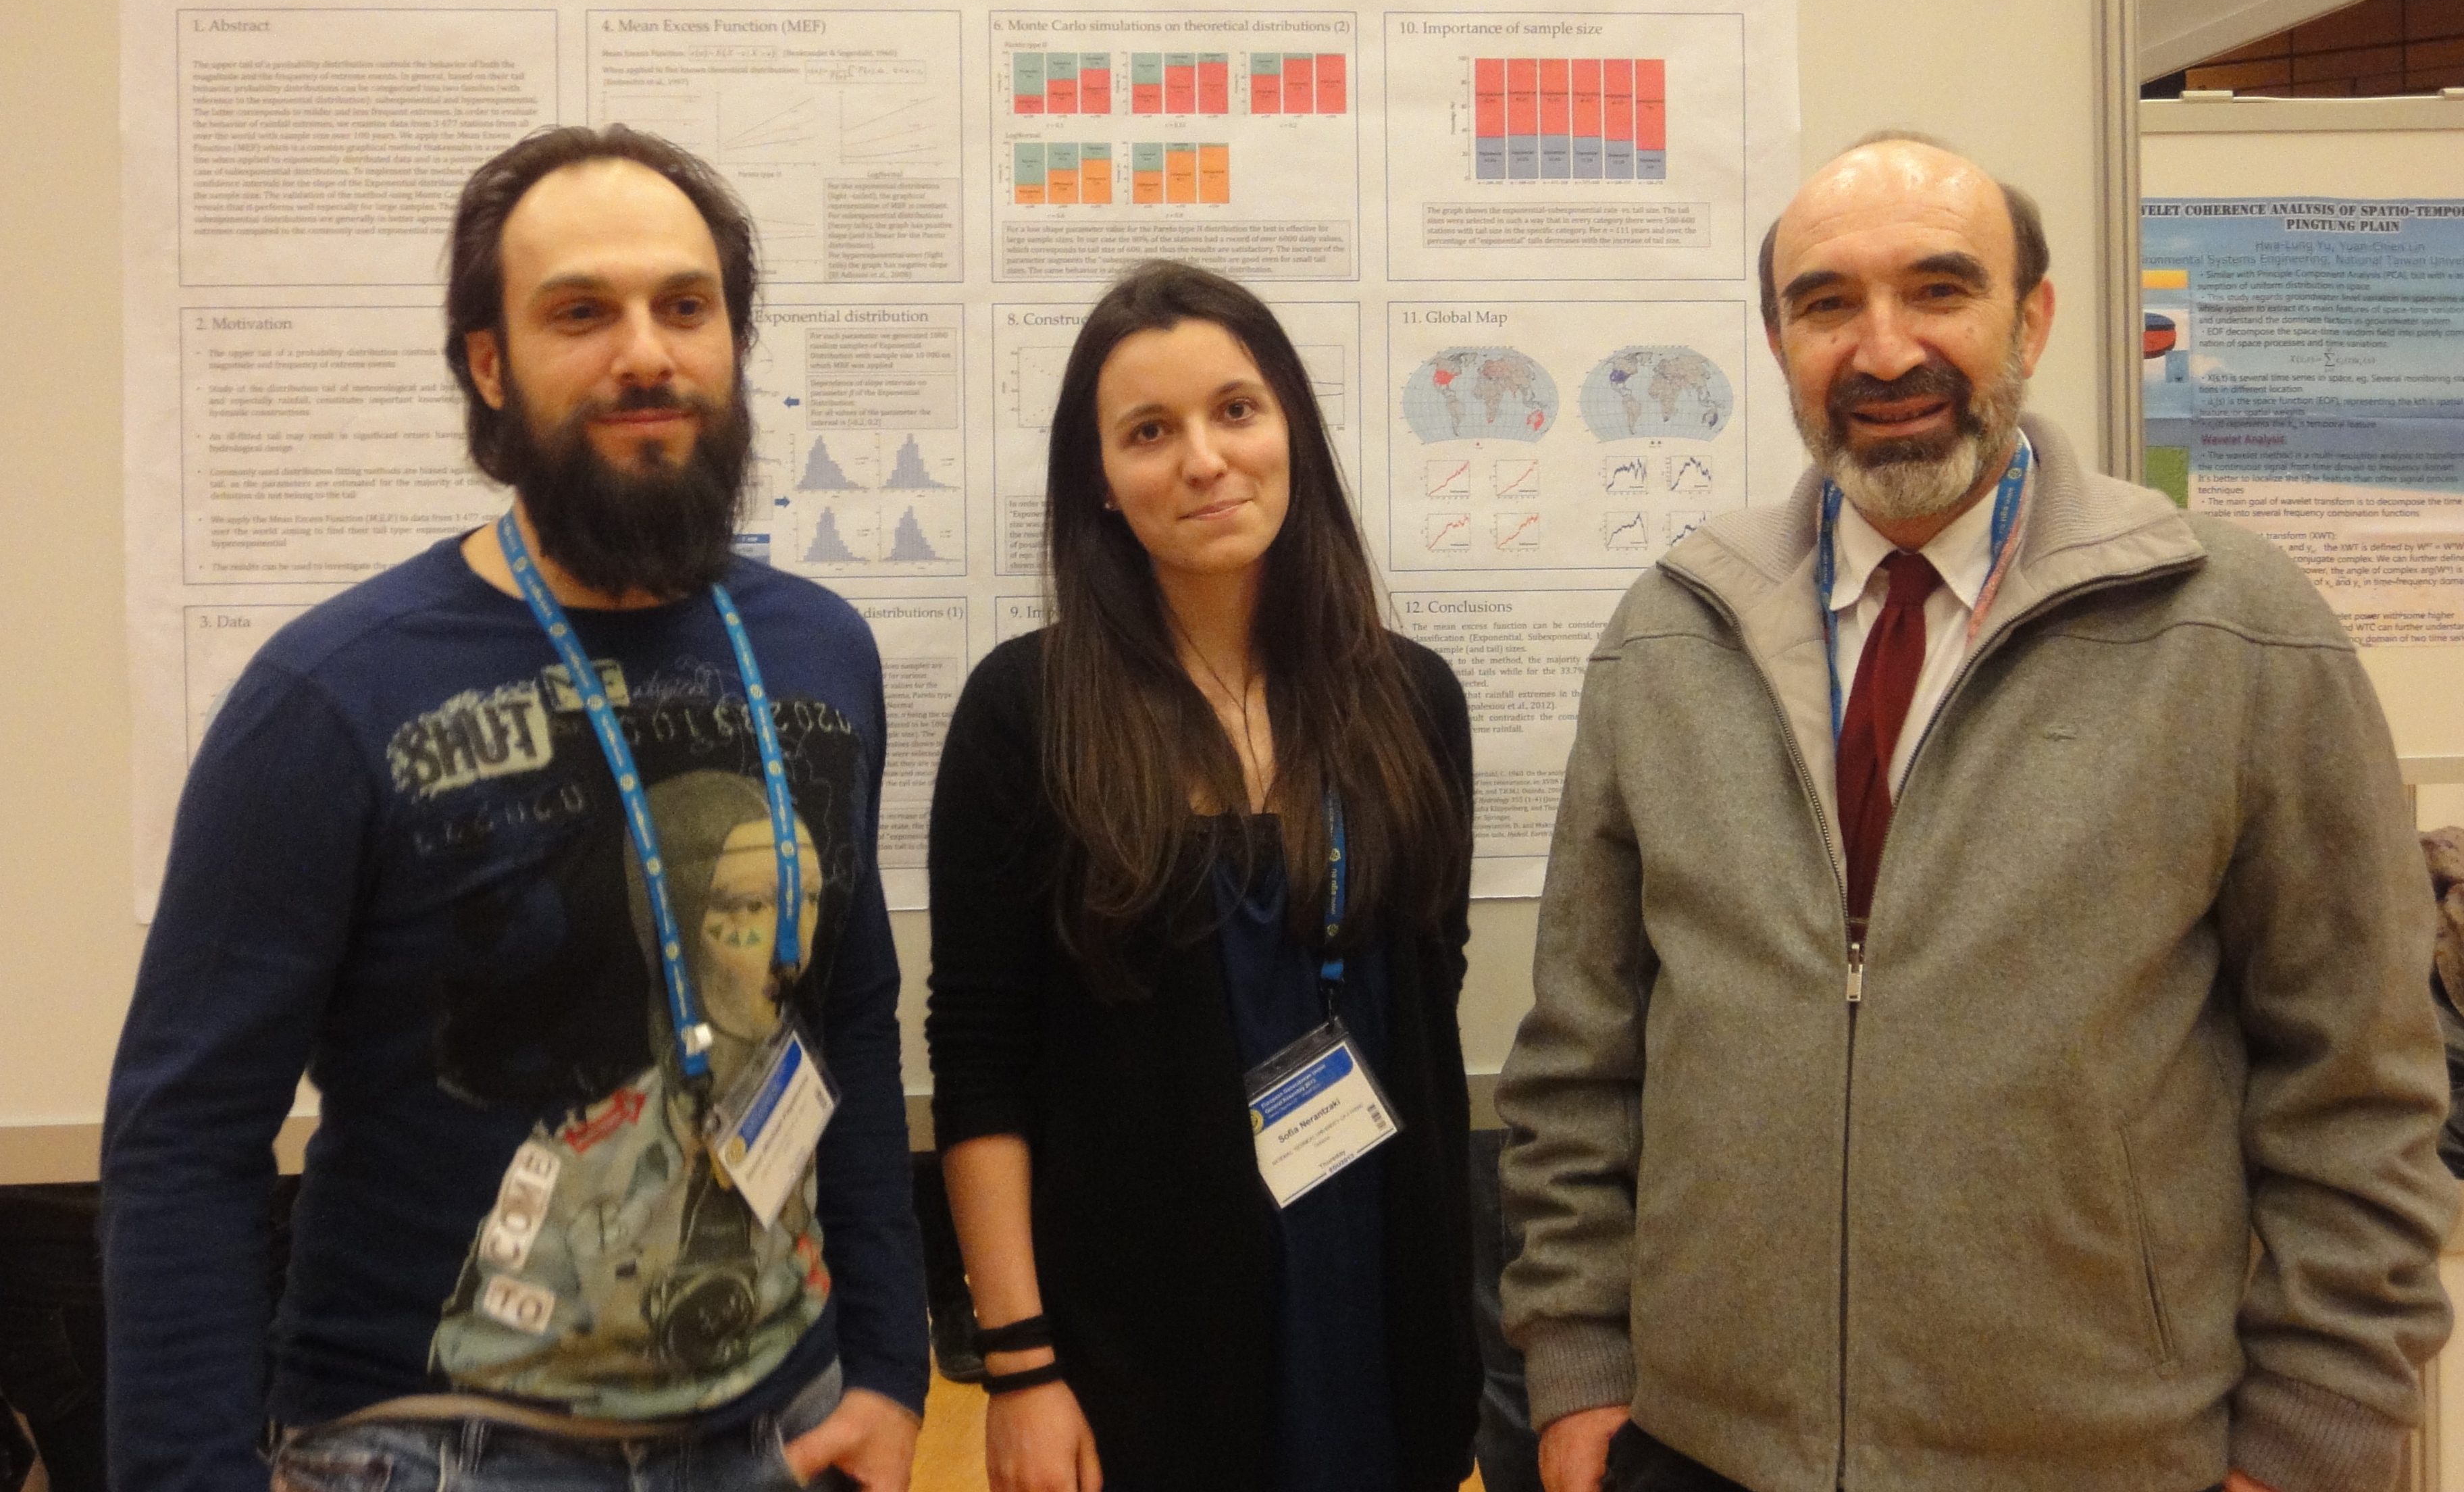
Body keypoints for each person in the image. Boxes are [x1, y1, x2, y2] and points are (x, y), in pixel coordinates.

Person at [1497, 133, 2457, 1492]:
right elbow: (1581, 1055)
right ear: (1778, 343)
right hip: (1707, 1446)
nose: (1885, 349)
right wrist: (1579, 1358)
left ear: (2033, 319)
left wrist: (2318, 1429)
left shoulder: (2234, 630)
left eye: (1940, 290)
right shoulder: (1669, 637)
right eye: (1828, 304)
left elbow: (2355, 1077)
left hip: (2103, 1456)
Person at [101, 126, 927, 1492]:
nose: (646, 354)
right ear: (490, 365)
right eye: (580, 313)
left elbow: (846, 1018)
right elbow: (185, 1139)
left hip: (787, 1431)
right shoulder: (330, 696)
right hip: (438, 1448)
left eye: (685, 306)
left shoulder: (819, 650)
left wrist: (892, 1366)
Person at [926, 261, 1482, 1492]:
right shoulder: (1028, 712)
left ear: (1294, 431)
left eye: (1237, 410)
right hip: (1139, 1354)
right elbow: (979, 1056)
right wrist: (1019, 1362)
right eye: (1149, 432)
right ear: (1099, 481)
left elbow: (1426, 999)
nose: (1205, 460)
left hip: (1381, 1314)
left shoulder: (1414, 699)